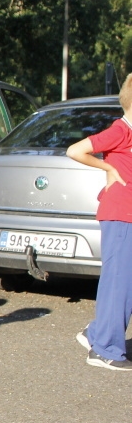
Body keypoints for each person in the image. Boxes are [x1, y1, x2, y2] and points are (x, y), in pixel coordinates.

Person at [67, 74, 132, 371]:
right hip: (120, 215)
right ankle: (105, 350)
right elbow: (76, 150)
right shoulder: (121, 130)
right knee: (118, 283)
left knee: (123, 284)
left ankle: (97, 334)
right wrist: (107, 166)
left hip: (126, 215)